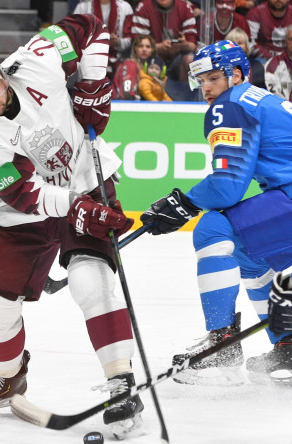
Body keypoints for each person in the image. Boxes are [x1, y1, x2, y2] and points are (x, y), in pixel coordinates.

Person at [0, 15, 142, 439]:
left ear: (0, 70)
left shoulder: (38, 59)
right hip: (28, 216)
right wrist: (75, 208)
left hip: (87, 178)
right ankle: (8, 378)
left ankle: (121, 384)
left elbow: (91, 25)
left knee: (91, 281)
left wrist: (92, 84)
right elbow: (22, 195)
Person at [140, 40, 292, 386]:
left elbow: (227, 186)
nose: (206, 88)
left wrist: (183, 203)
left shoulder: (231, 105)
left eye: (213, 78)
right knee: (250, 256)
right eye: (201, 80)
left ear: (236, 75)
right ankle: (288, 343)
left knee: (212, 228)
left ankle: (221, 345)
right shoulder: (259, 99)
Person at [72, 0, 134, 77]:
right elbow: (73, 35)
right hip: (88, 63)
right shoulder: (82, 7)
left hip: (118, 62)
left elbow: (131, 39)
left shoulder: (125, 8)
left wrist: (118, 42)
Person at [113, 34, 156, 100]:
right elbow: (127, 94)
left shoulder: (151, 68)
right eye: (141, 46)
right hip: (122, 106)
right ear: (135, 48)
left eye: (148, 47)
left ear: (152, 50)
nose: (144, 49)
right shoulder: (130, 65)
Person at [264, 25, 292, 101]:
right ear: (286, 41)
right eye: (291, 39)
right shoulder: (273, 64)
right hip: (284, 110)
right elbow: (274, 97)